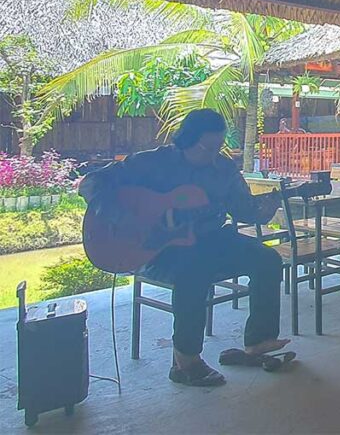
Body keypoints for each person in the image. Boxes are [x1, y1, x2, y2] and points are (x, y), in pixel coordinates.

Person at [78, 109, 286, 387]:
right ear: (187, 139)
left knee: (267, 259)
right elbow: (91, 183)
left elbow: (244, 211)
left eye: (218, 147)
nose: (213, 154)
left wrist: (265, 210)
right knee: (194, 271)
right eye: (207, 147)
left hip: (210, 239)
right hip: (156, 249)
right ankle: (185, 361)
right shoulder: (152, 163)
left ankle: (258, 343)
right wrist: (129, 215)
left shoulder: (223, 170)